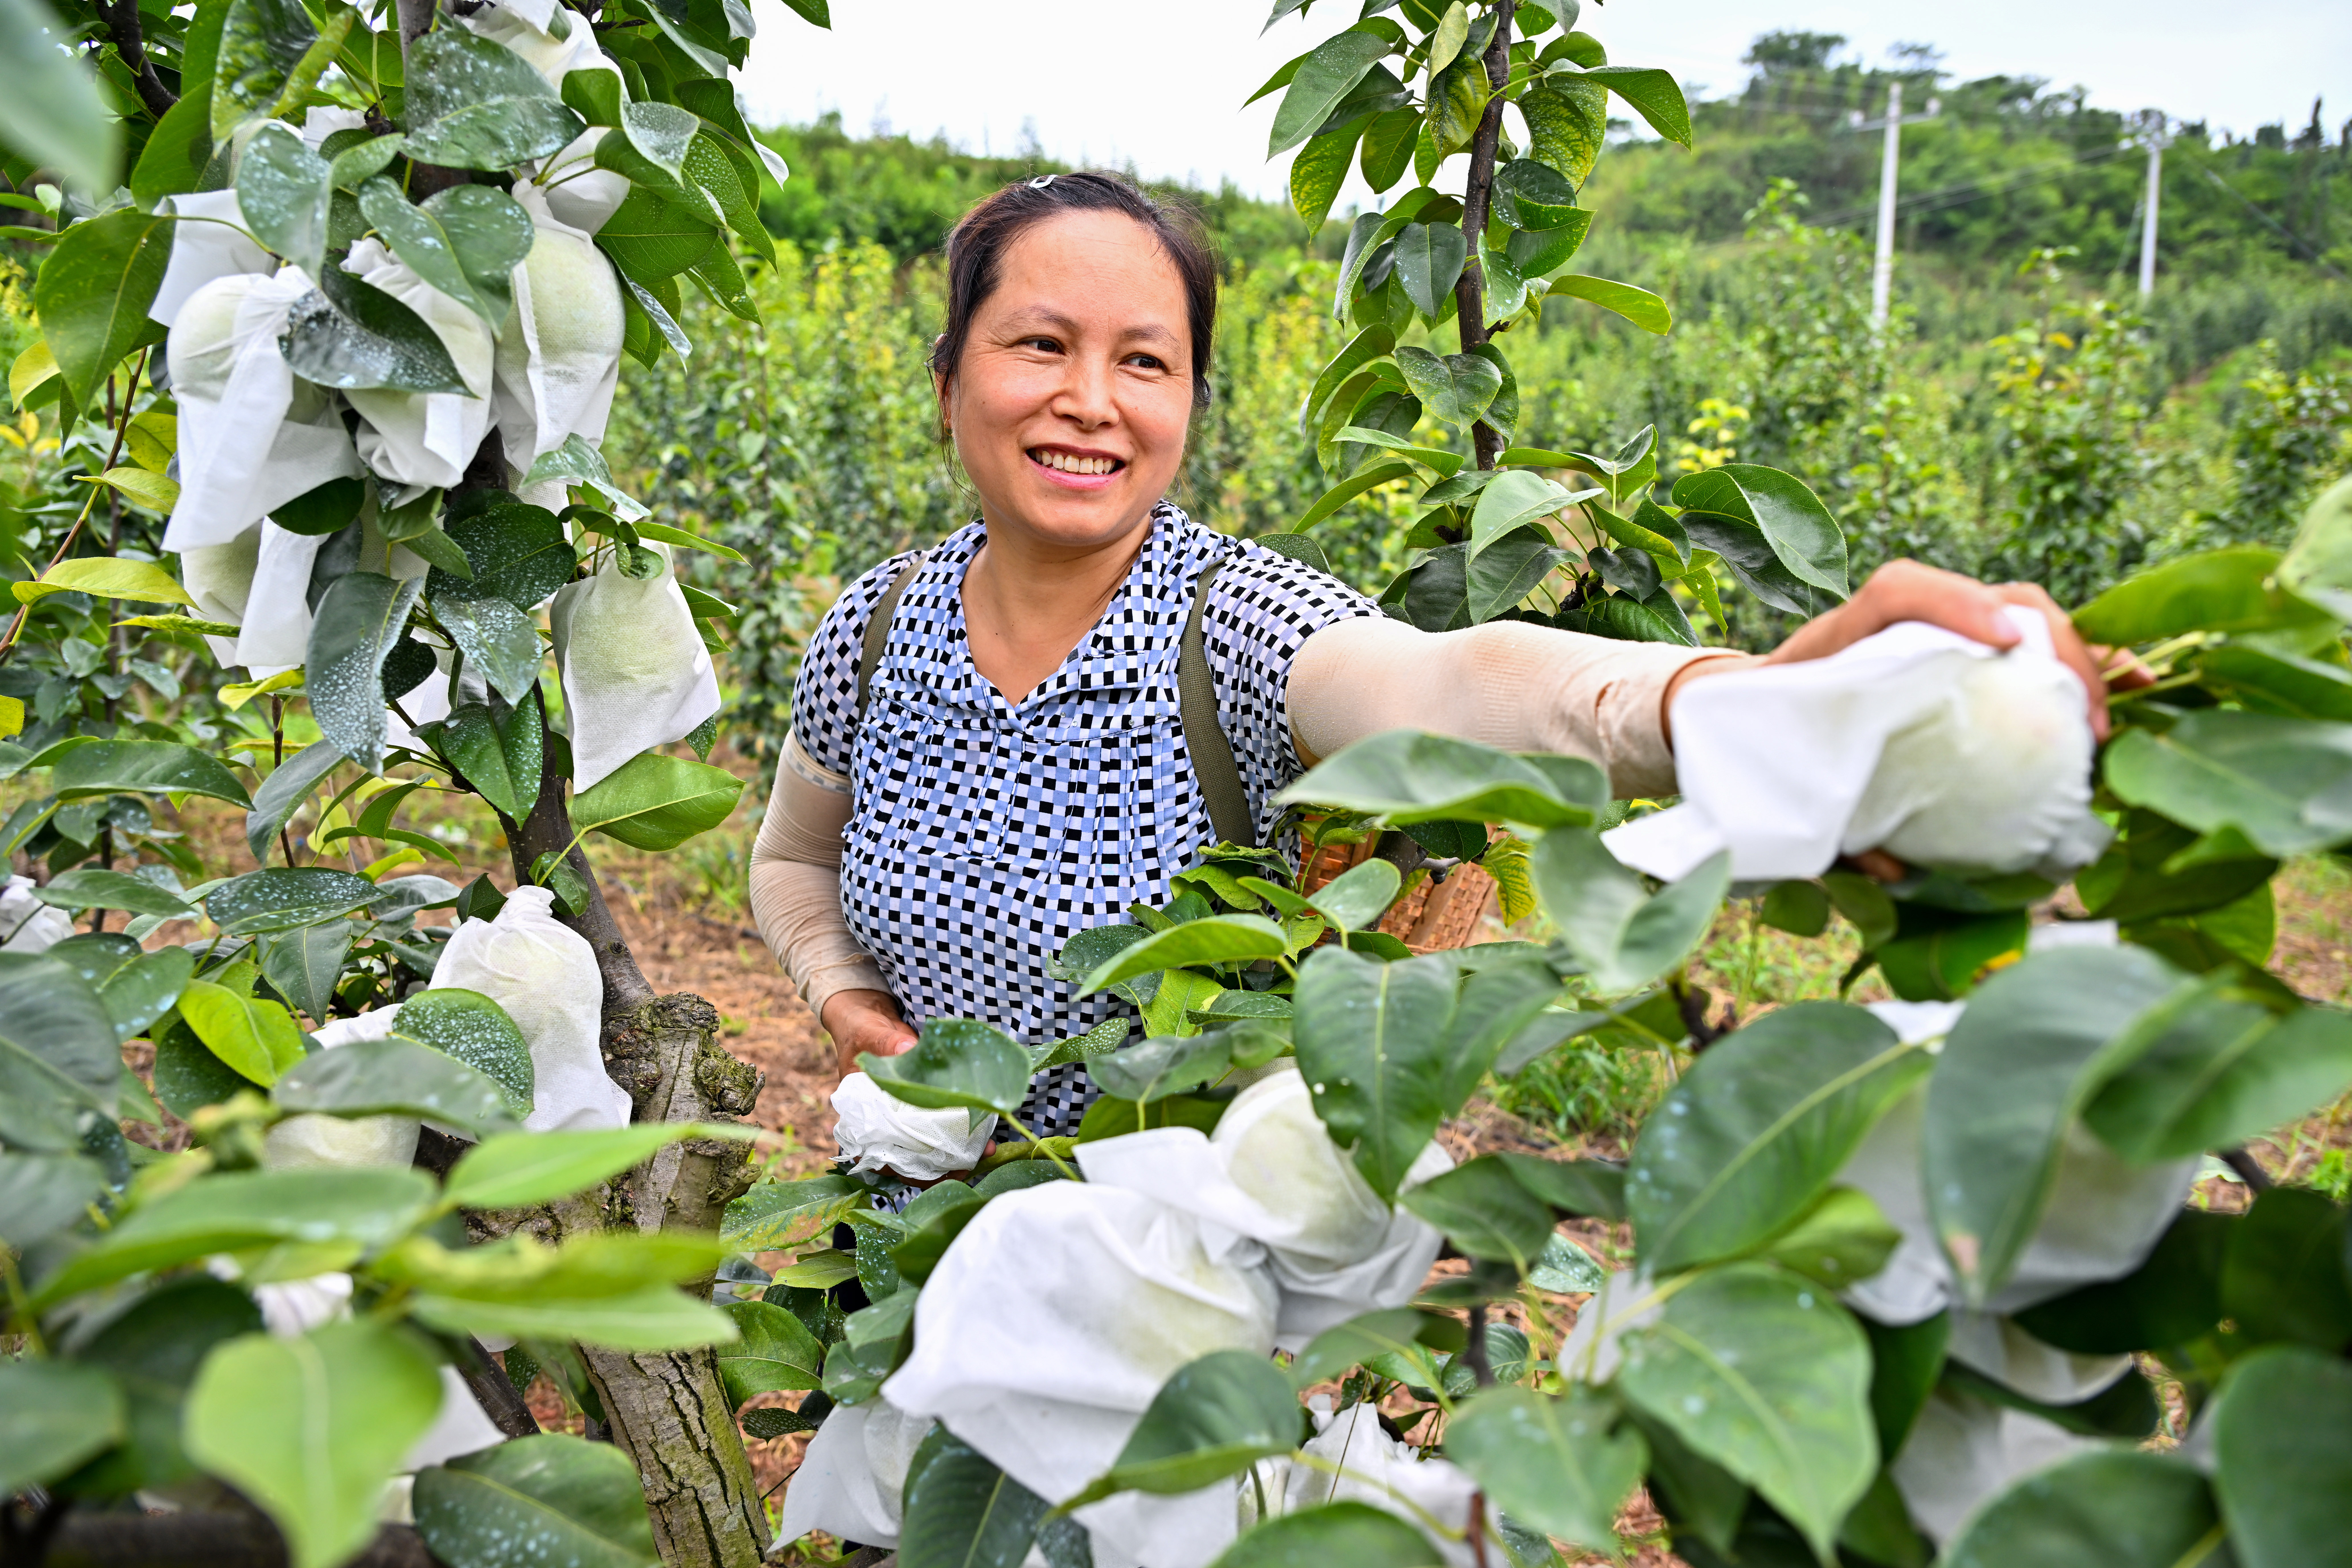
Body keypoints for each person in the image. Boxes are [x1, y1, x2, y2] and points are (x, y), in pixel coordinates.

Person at [749, 170, 2120, 1141]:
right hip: (916, 1253)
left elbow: (1453, 681)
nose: (1089, 401)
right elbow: (795, 858)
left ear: (1191, 404)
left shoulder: (1233, 628)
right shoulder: (877, 630)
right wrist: (851, 1003)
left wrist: (1749, 699)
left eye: (1146, 362)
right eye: (1039, 344)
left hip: (1188, 1304)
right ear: (948, 379)